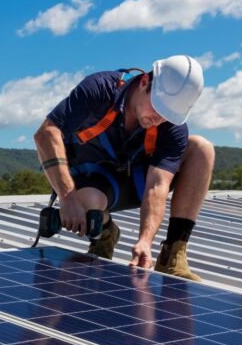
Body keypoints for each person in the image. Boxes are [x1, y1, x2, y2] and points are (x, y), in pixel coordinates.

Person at [33, 55, 214, 281]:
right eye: (157, 108)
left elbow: (157, 185)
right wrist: (67, 198)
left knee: (201, 149)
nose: (158, 119)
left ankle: (173, 255)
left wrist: (145, 241)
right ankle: (106, 233)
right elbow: (46, 133)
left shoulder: (171, 128)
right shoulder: (99, 89)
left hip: (135, 180)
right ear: (145, 82)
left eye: (167, 116)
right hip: (92, 177)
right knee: (90, 206)